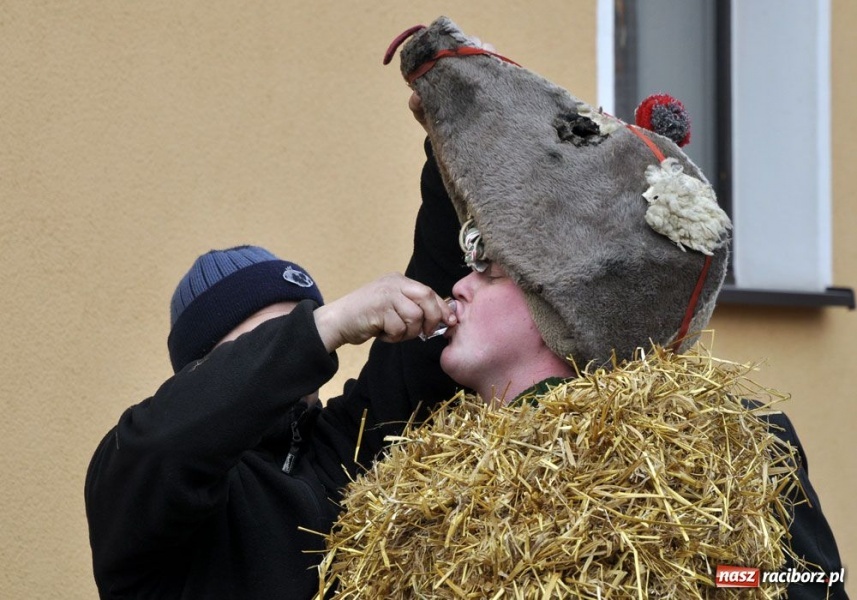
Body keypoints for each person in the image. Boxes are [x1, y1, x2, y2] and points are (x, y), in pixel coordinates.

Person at [321, 16, 849, 599]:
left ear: (565, 299)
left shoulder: (737, 438)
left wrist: (712, 579)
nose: (458, 288)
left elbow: (814, 582)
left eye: (489, 269)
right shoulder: (420, 464)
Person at [84, 136, 470, 597]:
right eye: (266, 338)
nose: (299, 354)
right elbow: (162, 443)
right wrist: (329, 324)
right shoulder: (142, 482)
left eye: (300, 322)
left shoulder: (342, 449)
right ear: (201, 370)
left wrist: (450, 139)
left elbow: (433, 280)